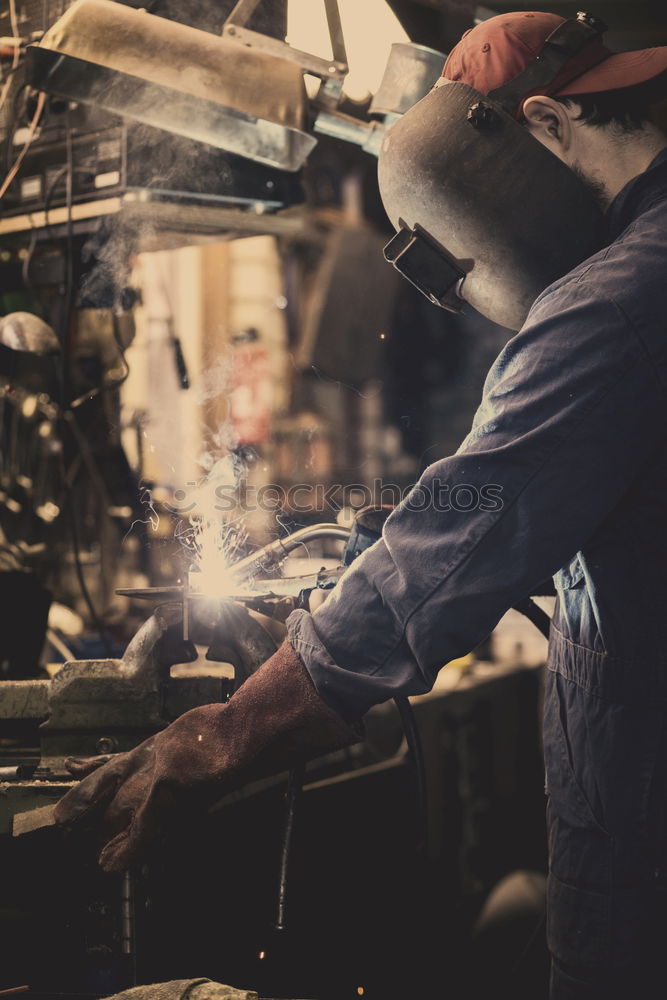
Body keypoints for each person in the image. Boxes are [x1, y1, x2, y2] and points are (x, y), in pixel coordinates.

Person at [56, 11, 667, 999]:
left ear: (550, 122)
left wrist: (228, 730)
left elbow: (464, 527)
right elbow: (508, 493)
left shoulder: (615, 303)